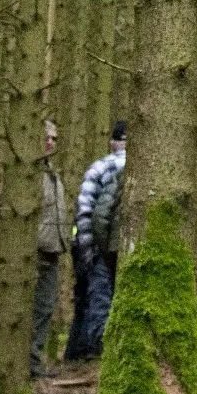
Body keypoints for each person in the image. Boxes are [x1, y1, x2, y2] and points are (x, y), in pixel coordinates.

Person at [64, 121, 127, 361]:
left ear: (113, 143)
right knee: (105, 297)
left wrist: (87, 248)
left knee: (94, 297)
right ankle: (99, 351)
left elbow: (85, 212)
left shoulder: (99, 167)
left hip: (98, 247)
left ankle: (89, 350)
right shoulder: (135, 169)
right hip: (115, 247)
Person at [30, 118, 69, 378]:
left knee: (44, 307)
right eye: (47, 136)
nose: (50, 142)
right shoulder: (29, 173)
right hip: (34, 249)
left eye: (54, 138)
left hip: (52, 248)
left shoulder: (51, 172)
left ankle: (34, 361)